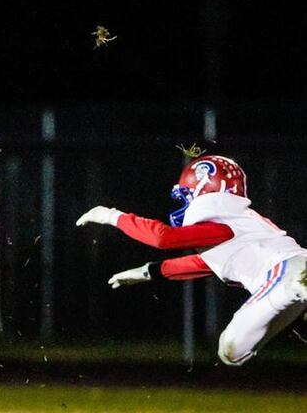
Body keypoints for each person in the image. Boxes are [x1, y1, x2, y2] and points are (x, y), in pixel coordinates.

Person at [76, 154, 307, 365]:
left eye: (187, 194)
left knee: (234, 343)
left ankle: (296, 288)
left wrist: (111, 216)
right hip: (289, 272)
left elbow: (162, 238)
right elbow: (205, 264)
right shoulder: (241, 221)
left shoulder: (222, 221)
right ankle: (298, 296)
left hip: (285, 272)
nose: (185, 202)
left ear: (206, 189)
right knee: (232, 352)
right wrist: (150, 271)